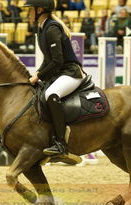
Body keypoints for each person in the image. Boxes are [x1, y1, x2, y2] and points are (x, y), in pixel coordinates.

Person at [24, 0, 86, 156]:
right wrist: (37, 74)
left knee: (51, 95)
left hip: (70, 73)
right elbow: (48, 59)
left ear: (40, 10)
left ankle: (61, 144)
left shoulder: (51, 28)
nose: (28, 13)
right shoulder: (43, 28)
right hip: (59, 73)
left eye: (30, 9)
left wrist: (39, 75)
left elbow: (57, 61)